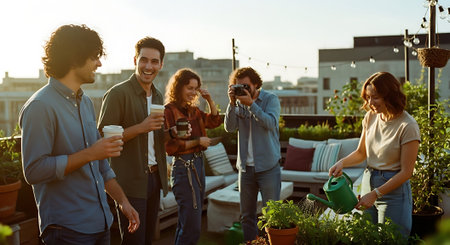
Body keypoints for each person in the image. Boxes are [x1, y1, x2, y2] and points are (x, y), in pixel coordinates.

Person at [19, 24, 139, 245]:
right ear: (75, 59)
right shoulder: (39, 106)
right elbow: (33, 171)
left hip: (100, 222)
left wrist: (123, 202)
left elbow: (101, 166)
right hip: (66, 231)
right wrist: (90, 154)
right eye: (94, 57)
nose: (99, 63)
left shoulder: (85, 102)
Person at [98, 37, 171, 245]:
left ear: (161, 64)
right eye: (144, 60)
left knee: (147, 239)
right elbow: (103, 140)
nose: (149, 66)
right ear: (135, 60)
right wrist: (142, 127)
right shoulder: (117, 94)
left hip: (155, 178)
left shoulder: (157, 96)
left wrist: (170, 133)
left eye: (154, 61)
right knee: (134, 241)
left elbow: (153, 138)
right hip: (129, 183)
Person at [328, 71, 420, 237]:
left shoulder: (408, 126)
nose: (370, 103)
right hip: (368, 183)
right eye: (367, 97)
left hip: (393, 192)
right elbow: (361, 153)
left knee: (391, 239)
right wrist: (342, 162)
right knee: (367, 237)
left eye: (375, 97)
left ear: (390, 96)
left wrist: (376, 194)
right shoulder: (370, 117)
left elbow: (407, 172)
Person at [164, 68, 222, 244]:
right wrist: (198, 141)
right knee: (192, 226)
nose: (192, 92)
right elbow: (171, 147)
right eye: (189, 87)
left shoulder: (194, 111)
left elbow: (214, 120)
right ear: (179, 87)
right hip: (184, 167)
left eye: (195, 88)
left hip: (197, 164)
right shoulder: (169, 111)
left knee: (187, 222)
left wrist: (209, 100)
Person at [224, 67, 281, 241]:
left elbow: (271, 123)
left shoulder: (270, 99)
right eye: (239, 86)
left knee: (272, 216)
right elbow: (229, 127)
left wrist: (252, 105)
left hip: (268, 167)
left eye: (246, 86)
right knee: (247, 216)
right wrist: (232, 103)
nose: (243, 90)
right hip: (245, 170)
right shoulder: (238, 102)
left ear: (256, 84)